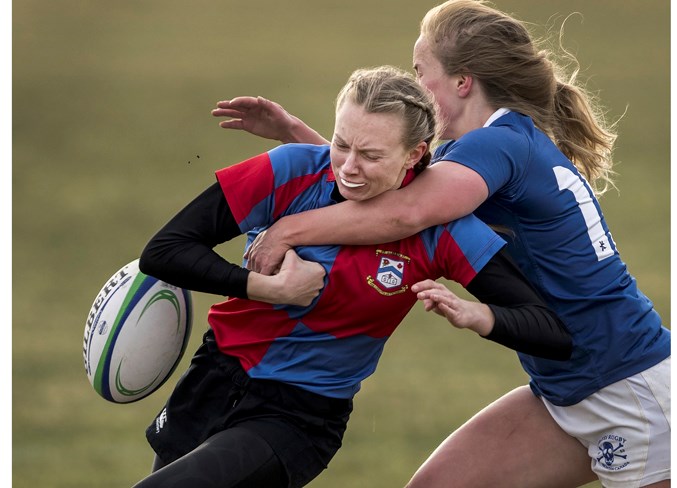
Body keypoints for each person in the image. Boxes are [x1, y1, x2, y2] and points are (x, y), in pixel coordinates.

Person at [211, 2, 671, 487]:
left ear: (462, 82)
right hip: (564, 391)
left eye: (419, 71)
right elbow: (378, 188)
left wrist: (286, 231)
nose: (414, 85)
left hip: (629, 387)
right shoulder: (473, 148)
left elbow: (402, 214)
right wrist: (297, 134)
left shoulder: (498, 145)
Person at [132, 65, 574, 488]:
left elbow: (551, 331)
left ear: (415, 154)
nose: (347, 167)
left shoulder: (444, 231)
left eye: (371, 155)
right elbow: (165, 252)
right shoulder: (291, 170)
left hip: (295, 416)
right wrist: (263, 287)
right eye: (341, 145)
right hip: (213, 376)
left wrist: (475, 316)